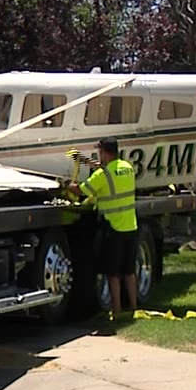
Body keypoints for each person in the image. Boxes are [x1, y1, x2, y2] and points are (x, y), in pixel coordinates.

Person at [77, 136, 140, 324]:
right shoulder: (127, 168)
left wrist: (67, 186)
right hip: (131, 226)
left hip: (114, 228)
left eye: (100, 152)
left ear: (105, 152)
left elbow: (83, 190)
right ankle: (134, 307)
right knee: (129, 271)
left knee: (112, 273)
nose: (99, 155)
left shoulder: (103, 173)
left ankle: (117, 310)